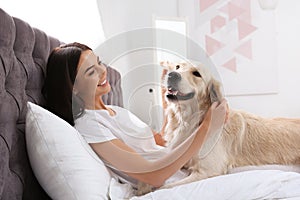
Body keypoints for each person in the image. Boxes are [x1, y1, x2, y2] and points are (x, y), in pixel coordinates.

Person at [42, 42, 228, 190]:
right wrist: (207, 127)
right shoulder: (89, 125)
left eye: (99, 62)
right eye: (91, 72)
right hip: (168, 185)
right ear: (73, 87)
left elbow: (162, 143)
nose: (102, 71)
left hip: (184, 174)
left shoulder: (116, 110)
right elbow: (152, 176)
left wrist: (166, 104)